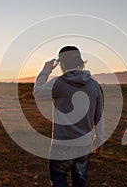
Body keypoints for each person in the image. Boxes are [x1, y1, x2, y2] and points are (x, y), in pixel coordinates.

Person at [33, 46, 104, 187]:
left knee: (59, 178)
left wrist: (46, 70)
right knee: (80, 181)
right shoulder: (94, 84)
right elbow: (99, 115)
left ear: (61, 64)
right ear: (81, 62)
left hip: (62, 144)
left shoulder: (58, 83)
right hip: (84, 143)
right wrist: (99, 139)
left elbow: (38, 92)